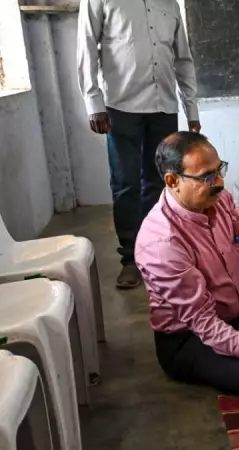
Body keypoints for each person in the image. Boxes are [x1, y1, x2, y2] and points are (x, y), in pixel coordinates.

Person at [135, 132, 239, 401]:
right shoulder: (162, 242)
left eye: (219, 170)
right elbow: (203, 322)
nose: (219, 182)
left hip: (237, 312)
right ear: (172, 181)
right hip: (189, 338)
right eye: (207, 176)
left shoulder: (220, 199)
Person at [77, 0, 201, 289]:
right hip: (121, 106)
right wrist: (93, 102)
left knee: (161, 182)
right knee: (126, 184)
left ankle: (156, 250)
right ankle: (131, 259)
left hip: (164, 106)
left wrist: (191, 110)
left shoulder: (169, 4)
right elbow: (86, 45)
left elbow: (183, 58)